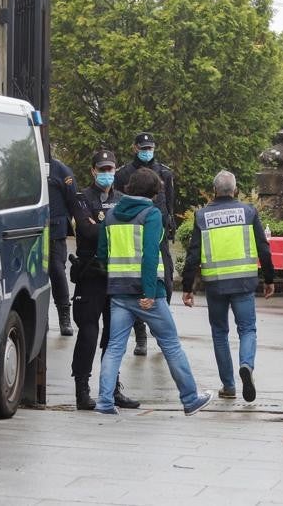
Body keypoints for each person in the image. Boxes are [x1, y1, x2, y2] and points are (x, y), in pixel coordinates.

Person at [95, 167, 211, 416]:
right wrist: (148, 291)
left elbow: (102, 254)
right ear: (154, 192)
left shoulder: (112, 214)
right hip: (148, 294)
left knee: (115, 346)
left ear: (129, 188)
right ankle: (190, 399)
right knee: (171, 344)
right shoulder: (151, 214)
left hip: (118, 290)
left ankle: (104, 401)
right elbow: (150, 255)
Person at [181, 170, 276, 402]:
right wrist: (270, 279)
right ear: (235, 190)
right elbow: (263, 247)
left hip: (215, 285)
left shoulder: (202, 216)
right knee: (247, 329)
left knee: (220, 333)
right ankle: (246, 365)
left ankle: (229, 385)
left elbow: (193, 254)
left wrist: (187, 287)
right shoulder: (248, 212)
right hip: (244, 282)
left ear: (215, 191)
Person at [68, 148, 139, 411]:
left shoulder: (122, 199)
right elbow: (86, 230)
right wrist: (112, 227)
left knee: (115, 335)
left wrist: (102, 226)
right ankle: (82, 390)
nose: (107, 173)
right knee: (88, 333)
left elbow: (126, 230)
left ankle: (112, 388)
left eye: (111, 169)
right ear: (93, 171)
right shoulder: (81, 198)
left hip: (116, 274)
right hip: (90, 274)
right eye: (103, 169)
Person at [114, 132, 178, 356]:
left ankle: (159, 330)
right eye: (143, 147)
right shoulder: (123, 174)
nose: (147, 151)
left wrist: (170, 227)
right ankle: (140, 335)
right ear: (135, 148)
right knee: (134, 283)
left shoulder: (165, 173)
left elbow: (169, 204)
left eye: (150, 147)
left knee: (165, 282)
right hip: (132, 235)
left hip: (157, 232)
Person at [47, 156, 77, 336]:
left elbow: (72, 199)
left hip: (54, 232)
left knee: (57, 271)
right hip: (31, 231)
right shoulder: (25, 163)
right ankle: (41, 319)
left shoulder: (60, 169)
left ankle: (64, 316)